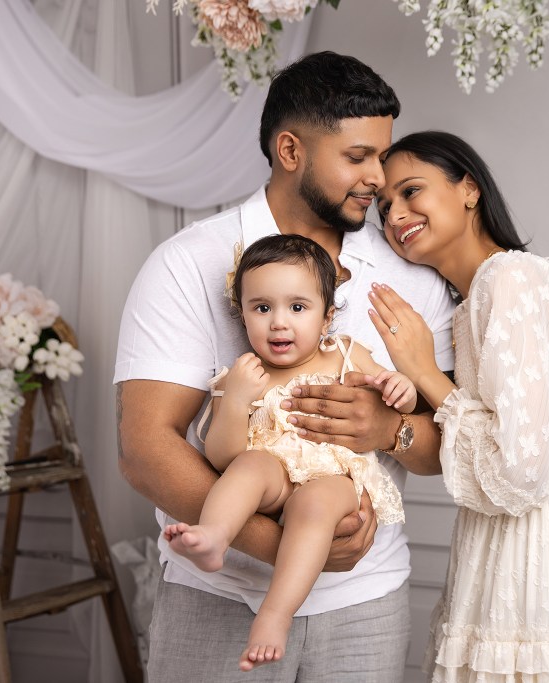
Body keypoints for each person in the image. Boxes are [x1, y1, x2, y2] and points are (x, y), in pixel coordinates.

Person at [115, 53, 456, 683]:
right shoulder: (187, 263)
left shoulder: (413, 278)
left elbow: (444, 449)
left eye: (382, 156)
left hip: (367, 603)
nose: (378, 179)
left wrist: (386, 431)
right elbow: (143, 449)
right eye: (358, 157)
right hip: (217, 599)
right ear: (291, 149)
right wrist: (291, 548)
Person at [368, 131, 549, 682]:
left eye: (410, 191)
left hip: (533, 551)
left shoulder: (512, 277)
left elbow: (517, 473)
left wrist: (422, 371)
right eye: (383, 205)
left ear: (468, 189)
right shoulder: (476, 296)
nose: (395, 214)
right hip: (494, 546)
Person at [162, 234, 415, 671]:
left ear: (327, 317)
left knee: (315, 503)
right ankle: (214, 538)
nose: (279, 322)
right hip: (275, 476)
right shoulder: (241, 375)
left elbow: (396, 404)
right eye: (262, 308)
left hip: (333, 477)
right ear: (242, 316)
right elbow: (221, 457)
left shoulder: (346, 355)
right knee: (251, 464)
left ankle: (274, 615)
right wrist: (237, 399)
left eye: (297, 308)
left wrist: (400, 388)